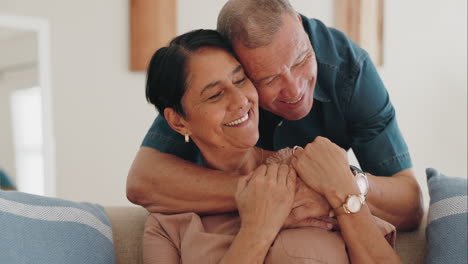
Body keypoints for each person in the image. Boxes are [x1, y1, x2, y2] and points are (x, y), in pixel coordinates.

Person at [127, 0, 423, 231]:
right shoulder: (217, 83)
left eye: (301, 59)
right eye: (268, 79)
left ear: (298, 23)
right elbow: (143, 181)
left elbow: (410, 205)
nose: (294, 90)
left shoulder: (349, 69)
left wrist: (348, 185)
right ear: (235, 63)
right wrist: (274, 195)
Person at [142, 29, 401, 263]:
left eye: (241, 80)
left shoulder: (311, 174)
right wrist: (257, 230)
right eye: (215, 95)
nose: (240, 100)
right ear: (178, 122)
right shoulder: (167, 222)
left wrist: (345, 189)